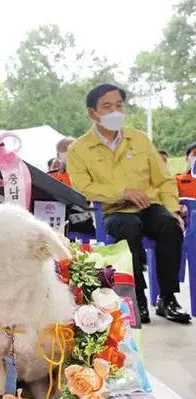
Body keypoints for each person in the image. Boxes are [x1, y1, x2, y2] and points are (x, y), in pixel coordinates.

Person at [68, 84, 189, 325]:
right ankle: (137, 299)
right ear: (92, 113)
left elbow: (164, 179)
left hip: (149, 206)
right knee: (128, 227)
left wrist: (173, 209)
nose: (115, 111)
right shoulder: (78, 149)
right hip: (113, 212)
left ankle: (167, 297)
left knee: (169, 226)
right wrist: (122, 193)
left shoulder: (139, 139)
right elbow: (84, 188)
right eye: (107, 106)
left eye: (118, 105)